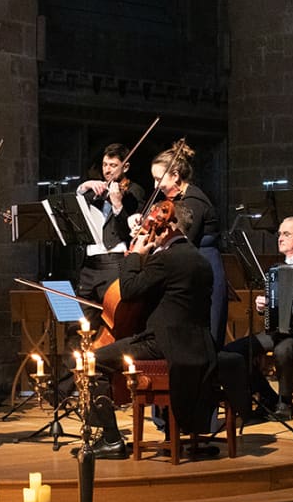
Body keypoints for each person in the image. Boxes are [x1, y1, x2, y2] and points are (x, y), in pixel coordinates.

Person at [80, 201, 222, 459]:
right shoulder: (200, 259)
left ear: (168, 226)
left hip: (163, 343)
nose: (149, 229)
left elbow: (130, 289)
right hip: (199, 345)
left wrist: (135, 254)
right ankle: (174, 434)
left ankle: (111, 440)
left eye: (154, 224)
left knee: (94, 361)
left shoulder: (166, 260)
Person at [224, 216, 293, 421]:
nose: (280, 238)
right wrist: (263, 305)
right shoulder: (275, 269)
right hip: (277, 331)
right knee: (234, 352)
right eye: (279, 233)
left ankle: (285, 404)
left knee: (283, 350)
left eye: (286, 234)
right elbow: (274, 306)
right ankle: (268, 396)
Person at [147, 141, 228, 349]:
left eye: (159, 179)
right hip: (194, 268)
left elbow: (183, 239)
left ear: (175, 175)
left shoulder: (194, 201)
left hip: (206, 268)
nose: (156, 186)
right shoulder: (179, 200)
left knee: (208, 337)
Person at [74, 142, 145, 330]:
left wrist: (118, 205)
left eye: (113, 165)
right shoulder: (94, 191)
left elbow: (129, 232)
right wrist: (83, 186)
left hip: (114, 264)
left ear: (125, 167)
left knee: (114, 322)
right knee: (79, 325)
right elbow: (74, 207)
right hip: (88, 265)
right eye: (105, 165)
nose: (107, 170)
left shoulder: (134, 193)